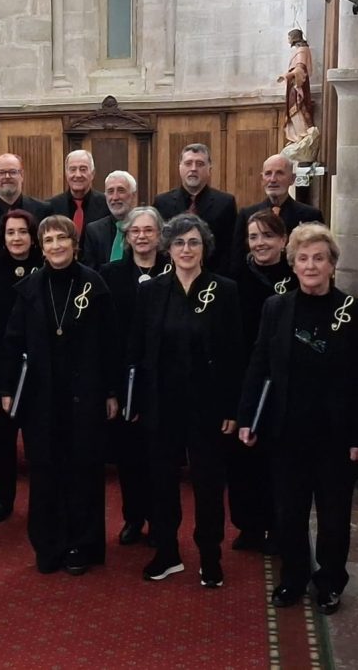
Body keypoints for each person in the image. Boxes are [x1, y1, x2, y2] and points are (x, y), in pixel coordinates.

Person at [238, 223, 358, 615]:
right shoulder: (276, 308)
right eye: (303, 258)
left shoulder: (355, 312)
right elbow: (259, 364)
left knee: (334, 518)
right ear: (293, 265)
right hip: (286, 431)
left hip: (335, 436)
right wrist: (248, 415)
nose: (311, 265)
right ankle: (293, 578)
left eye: (319, 258)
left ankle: (331, 581)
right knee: (288, 513)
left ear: (332, 265)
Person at [0, 215, 120, 575]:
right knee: (45, 471)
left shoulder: (94, 285)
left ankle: (82, 545)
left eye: (62, 238)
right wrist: (5, 387)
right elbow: (11, 341)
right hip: (42, 396)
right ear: (42, 245)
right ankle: (48, 544)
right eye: (48, 239)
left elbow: (110, 344)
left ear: (74, 242)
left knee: (83, 470)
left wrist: (112, 391)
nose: (55, 245)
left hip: (86, 393)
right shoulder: (29, 288)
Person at [129, 214, 244, 587]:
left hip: (207, 406)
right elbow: (138, 350)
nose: (186, 250)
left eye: (193, 242)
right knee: (161, 481)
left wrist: (231, 407)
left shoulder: (224, 290)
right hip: (162, 403)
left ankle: (210, 555)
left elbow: (234, 354)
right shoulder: (151, 291)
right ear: (168, 248)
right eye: (178, 243)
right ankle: (166, 552)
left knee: (208, 484)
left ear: (204, 247)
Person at [97, 206, 168, 547]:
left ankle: (159, 521)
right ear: (126, 238)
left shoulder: (174, 271)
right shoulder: (109, 275)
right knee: (128, 456)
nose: (141, 236)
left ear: (159, 235)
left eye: (148, 230)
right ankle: (133, 517)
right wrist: (111, 388)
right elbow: (105, 336)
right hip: (124, 377)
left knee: (159, 456)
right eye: (135, 231)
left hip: (163, 380)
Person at [229, 209, 297, 553]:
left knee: (278, 457)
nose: (260, 243)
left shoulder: (295, 276)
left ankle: (278, 525)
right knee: (244, 455)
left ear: (283, 240)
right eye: (253, 237)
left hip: (286, 377)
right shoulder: (236, 277)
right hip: (246, 373)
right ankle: (249, 525)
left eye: (267, 236)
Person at [0, 209, 43, 524]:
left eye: (23, 232)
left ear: (33, 237)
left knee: (38, 441)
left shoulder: (46, 269)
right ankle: (3, 500)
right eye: (10, 233)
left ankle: (41, 501)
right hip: (3, 367)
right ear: (2, 238)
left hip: (41, 368)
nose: (16, 238)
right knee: (3, 441)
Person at [153, 144, 238, 274]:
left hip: (213, 278)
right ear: (180, 167)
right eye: (188, 163)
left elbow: (230, 249)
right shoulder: (162, 202)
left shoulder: (225, 203)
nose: (193, 169)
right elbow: (159, 246)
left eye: (199, 164)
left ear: (209, 168)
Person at [230, 153, 323, 273]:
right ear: (262, 179)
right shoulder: (246, 215)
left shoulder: (310, 216)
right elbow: (236, 260)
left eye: (279, 173)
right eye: (268, 174)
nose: (273, 179)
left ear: (292, 179)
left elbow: (319, 255)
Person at [0, 153, 50, 268]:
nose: (7, 176)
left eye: (12, 172)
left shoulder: (43, 210)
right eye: (1, 173)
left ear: (22, 175)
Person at [80, 171, 136, 266]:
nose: (115, 197)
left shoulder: (144, 229)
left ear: (133, 195)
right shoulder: (94, 231)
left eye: (121, 190)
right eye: (110, 192)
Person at [47, 149, 111, 233]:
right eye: (73, 169)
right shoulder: (50, 206)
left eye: (83, 169)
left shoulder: (107, 204)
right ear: (66, 174)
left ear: (92, 173)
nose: (78, 175)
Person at [279, 29, 318, 161]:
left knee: (297, 110)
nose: (288, 39)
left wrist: (287, 76)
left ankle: (301, 136)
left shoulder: (302, 50)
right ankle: (297, 138)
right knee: (293, 111)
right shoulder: (299, 50)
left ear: (294, 37)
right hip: (293, 85)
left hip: (297, 86)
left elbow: (300, 68)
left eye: (289, 37)